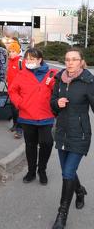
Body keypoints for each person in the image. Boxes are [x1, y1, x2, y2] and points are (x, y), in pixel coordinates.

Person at [50, 48, 92, 229]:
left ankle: (62, 214)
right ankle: (79, 191)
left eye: (74, 59)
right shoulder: (59, 80)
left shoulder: (88, 81)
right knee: (69, 171)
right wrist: (56, 104)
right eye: (67, 59)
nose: (70, 62)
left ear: (81, 61)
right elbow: (52, 104)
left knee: (67, 173)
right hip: (61, 132)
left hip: (80, 134)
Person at [9, 48, 57, 185]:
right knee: (30, 145)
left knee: (46, 143)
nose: (29, 61)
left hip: (45, 115)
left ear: (40, 60)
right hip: (27, 116)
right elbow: (13, 91)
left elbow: (58, 91)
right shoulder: (22, 74)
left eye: (33, 59)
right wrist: (20, 103)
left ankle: (42, 170)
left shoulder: (51, 74)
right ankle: (31, 171)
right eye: (27, 58)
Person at [6, 41, 23, 139]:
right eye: (10, 51)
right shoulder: (10, 61)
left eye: (13, 51)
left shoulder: (21, 62)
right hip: (11, 90)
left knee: (19, 110)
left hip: (19, 91)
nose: (11, 53)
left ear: (17, 52)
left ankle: (20, 129)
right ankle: (15, 125)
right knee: (13, 109)